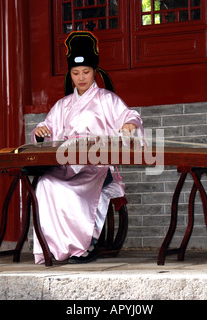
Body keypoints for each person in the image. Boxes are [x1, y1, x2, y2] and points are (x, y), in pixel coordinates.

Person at [31, 31, 144, 264]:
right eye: (75, 73)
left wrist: (130, 123)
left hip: (97, 166)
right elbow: (47, 127)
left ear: (95, 72)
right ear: (70, 74)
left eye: (86, 72)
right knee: (45, 184)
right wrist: (41, 132)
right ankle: (53, 247)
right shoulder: (63, 105)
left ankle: (83, 246)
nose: (81, 77)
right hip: (68, 165)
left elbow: (129, 115)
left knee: (73, 191)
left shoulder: (107, 99)